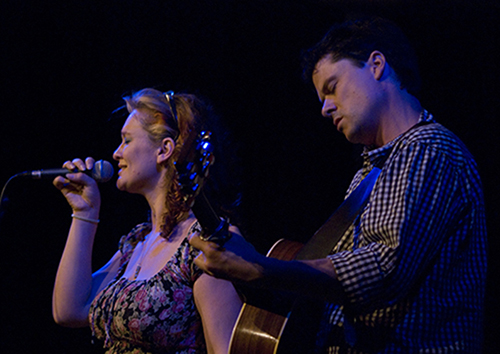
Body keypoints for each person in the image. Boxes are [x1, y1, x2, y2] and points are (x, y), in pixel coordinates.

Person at [189, 17, 487, 353]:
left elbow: (383, 269)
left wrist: (263, 269)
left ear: (376, 65)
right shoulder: (367, 174)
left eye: (332, 87)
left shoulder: (430, 149)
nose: (325, 108)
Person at [52, 88, 242, 354]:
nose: (116, 153)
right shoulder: (136, 242)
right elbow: (70, 309)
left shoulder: (206, 242)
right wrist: (85, 212)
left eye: (126, 141)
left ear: (164, 150)